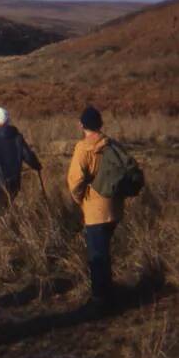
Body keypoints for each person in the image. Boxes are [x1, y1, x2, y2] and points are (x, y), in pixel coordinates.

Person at [66, 106, 124, 311]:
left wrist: (80, 199)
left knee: (96, 257)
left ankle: (101, 300)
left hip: (95, 210)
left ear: (82, 125)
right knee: (105, 252)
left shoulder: (83, 148)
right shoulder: (111, 144)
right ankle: (109, 293)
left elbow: (75, 181)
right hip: (115, 208)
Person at [0, 107, 42, 217]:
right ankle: (7, 229)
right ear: (8, 120)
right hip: (12, 183)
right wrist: (37, 166)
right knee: (7, 209)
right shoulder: (17, 137)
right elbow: (28, 156)